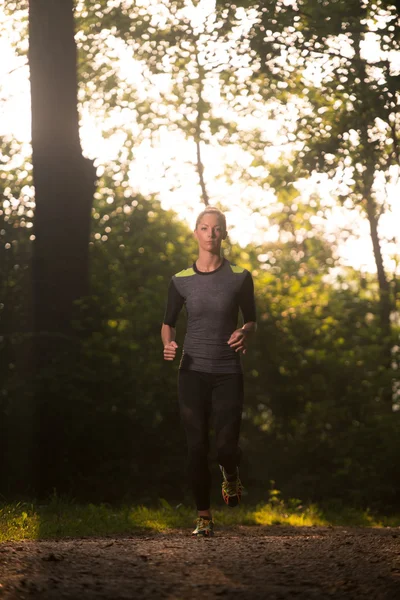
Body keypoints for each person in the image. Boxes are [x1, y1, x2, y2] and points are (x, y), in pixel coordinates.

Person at [161, 207, 257, 537]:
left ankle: (231, 474)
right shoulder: (180, 280)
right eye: (204, 228)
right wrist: (168, 344)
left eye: (217, 229)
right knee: (196, 446)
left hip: (229, 371)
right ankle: (203, 516)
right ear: (196, 233)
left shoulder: (241, 276)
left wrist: (246, 332)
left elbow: (251, 318)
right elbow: (167, 323)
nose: (211, 234)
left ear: (224, 234)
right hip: (192, 371)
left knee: (226, 448)